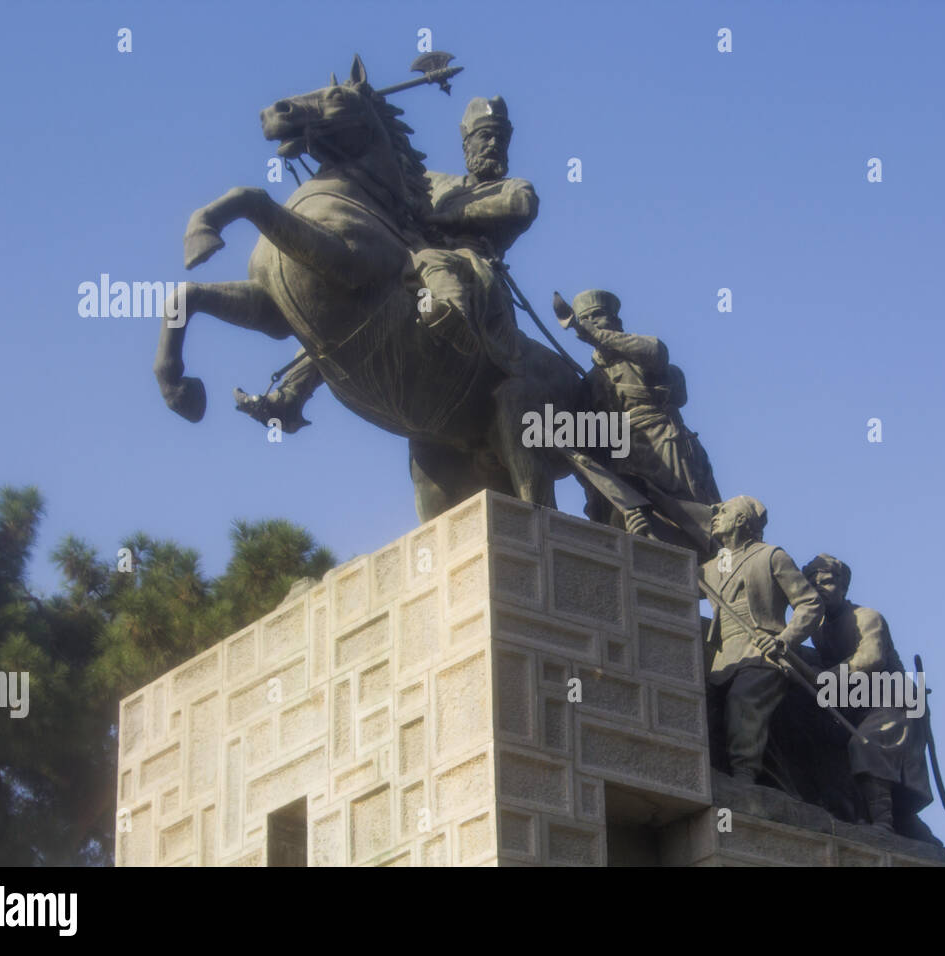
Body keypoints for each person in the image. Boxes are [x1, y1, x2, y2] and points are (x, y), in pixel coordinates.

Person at [235, 96, 539, 430]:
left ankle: (457, 321)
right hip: (410, 260)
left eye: (500, 137)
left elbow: (521, 206)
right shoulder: (436, 181)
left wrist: (439, 215)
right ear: (467, 142)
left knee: (433, 259)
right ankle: (292, 392)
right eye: (486, 136)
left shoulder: (513, 188)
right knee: (356, 297)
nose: (493, 143)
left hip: (471, 268)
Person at [563, 289, 720, 550]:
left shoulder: (641, 355)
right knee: (639, 522)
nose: (591, 322)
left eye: (598, 316)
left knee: (692, 516)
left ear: (615, 321)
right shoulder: (592, 379)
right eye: (586, 318)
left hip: (663, 443)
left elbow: (657, 352)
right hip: (625, 459)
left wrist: (598, 336)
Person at [800, 553, 940, 844]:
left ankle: (884, 824)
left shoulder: (866, 617)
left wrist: (826, 676)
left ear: (843, 586)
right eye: (813, 585)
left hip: (894, 701)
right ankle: (893, 821)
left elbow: (870, 659)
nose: (820, 589)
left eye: (827, 582)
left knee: (866, 744)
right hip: (859, 704)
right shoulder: (821, 632)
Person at [699, 496, 823, 784]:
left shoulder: (771, 556)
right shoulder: (710, 568)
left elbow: (810, 603)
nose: (715, 514)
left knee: (743, 700)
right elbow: (673, 574)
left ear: (742, 520)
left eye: (724, 511)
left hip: (762, 650)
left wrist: (784, 639)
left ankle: (744, 775)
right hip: (723, 655)